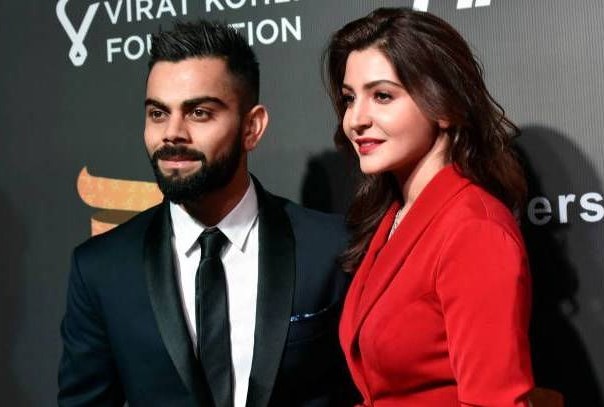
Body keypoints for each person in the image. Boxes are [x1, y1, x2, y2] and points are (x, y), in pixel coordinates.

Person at [59, 20, 355, 407]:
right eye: (157, 113)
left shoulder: (330, 249)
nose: (172, 133)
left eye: (198, 113)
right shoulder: (101, 269)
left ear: (252, 127)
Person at [324, 7, 534, 406]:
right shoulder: (396, 216)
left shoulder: (473, 230)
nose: (355, 120)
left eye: (382, 96)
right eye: (350, 99)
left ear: (445, 106)